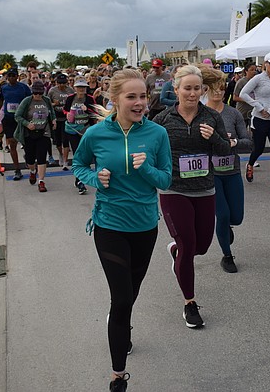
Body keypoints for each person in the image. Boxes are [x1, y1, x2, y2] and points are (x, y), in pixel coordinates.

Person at [72, 69, 172, 392]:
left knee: (130, 295)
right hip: (109, 225)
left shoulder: (157, 134)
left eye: (143, 96)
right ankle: (118, 375)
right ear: (114, 100)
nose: (140, 102)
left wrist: (147, 169)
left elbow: (166, 180)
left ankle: (122, 326)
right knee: (122, 296)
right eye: (132, 97)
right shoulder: (96, 134)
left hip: (145, 226)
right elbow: (77, 165)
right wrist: (94, 177)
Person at [153, 65, 230, 329]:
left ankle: (175, 250)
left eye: (197, 88)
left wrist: (215, 137)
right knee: (188, 244)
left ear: (203, 90)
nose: (192, 93)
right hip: (173, 189)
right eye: (187, 88)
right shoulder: (163, 120)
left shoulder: (210, 117)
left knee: (202, 246)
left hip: (205, 188)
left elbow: (226, 151)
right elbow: (150, 149)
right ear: (175, 89)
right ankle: (190, 303)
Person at [202, 66, 252, 274]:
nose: (218, 92)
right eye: (214, 89)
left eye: (221, 88)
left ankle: (227, 228)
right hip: (211, 175)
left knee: (236, 217)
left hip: (231, 171)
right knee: (221, 215)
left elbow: (248, 143)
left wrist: (232, 144)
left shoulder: (233, 114)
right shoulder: (201, 113)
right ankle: (227, 255)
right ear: (206, 90)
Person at [239, 52, 270, 193]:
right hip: (259, 120)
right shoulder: (258, 79)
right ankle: (250, 164)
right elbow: (243, 94)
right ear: (265, 64)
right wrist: (259, 107)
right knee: (259, 148)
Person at [13, 80, 55, 191]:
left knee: (42, 157)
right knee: (30, 159)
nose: (38, 96)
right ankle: (32, 170)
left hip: (44, 132)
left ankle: (41, 181)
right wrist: (27, 124)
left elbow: (51, 111)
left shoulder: (46, 100)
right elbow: (17, 116)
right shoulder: (27, 101)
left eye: (40, 93)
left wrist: (53, 120)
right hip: (29, 134)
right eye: (36, 93)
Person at [65, 77, 98, 194]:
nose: (81, 89)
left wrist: (87, 109)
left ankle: (81, 178)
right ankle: (80, 181)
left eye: (83, 87)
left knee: (85, 154)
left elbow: (95, 112)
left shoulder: (89, 99)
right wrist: (68, 114)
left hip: (86, 129)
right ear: (75, 88)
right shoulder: (70, 98)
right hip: (73, 130)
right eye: (79, 87)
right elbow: (65, 110)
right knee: (77, 154)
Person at [0, 68, 32, 180]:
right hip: (9, 119)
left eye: (14, 76)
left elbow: (30, 100)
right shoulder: (4, 88)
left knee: (27, 143)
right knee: (12, 143)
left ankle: (29, 158)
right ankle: (17, 169)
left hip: (22, 119)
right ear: (7, 77)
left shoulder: (24, 88)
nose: (12, 78)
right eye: (10, 76)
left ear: (17, 77)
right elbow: (1, 99)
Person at [47, 73, 73, 170]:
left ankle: (65, 161)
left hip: (66, 118)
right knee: (57, 141)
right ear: (56, 83)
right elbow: (47, 103)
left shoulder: (70, 90)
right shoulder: (52, 91)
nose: (61, 85)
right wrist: (54, 103)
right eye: (60, 83)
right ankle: (61, 154)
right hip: (56, 117)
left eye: (64, 83)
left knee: (65, 140)